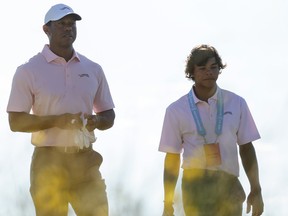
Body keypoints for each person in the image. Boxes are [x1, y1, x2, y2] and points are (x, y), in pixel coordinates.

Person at [7, 3, 115, 216]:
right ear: (46, 29)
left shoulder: (93, 69)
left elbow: (108, 115)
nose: (68, 28)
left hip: (86, 160)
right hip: (48, 162)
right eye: (62, 24)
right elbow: (15, 122)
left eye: (72, 24)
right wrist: (58, 121)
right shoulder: (28, 70)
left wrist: (97, 122)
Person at [158, 44, 264, 216]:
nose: (209, 72)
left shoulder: (237, 103)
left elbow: (246, 147)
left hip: (229, 184)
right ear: (191, 72)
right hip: (195, 187)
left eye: (214, 68)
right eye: (202, 68)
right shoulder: (176, 110)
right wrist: (168, 203)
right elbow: (172, 157)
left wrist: (256, 189)